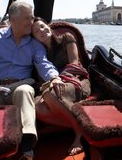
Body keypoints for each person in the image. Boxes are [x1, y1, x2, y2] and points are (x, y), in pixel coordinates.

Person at [0, 1, 60, 160]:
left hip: (17, 90)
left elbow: (43, 64)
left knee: (25, 90)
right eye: (28, 18)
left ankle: (27, 145)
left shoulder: (35, 44)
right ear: (13, 20)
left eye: (31, 17)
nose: (32, 22)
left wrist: (54, 77)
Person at [31, 17, 91, 156]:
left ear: (48, 26)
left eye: (42, 26)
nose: (41, 30)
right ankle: (84, 127)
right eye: (36, 31)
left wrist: (58, 80)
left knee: (50, 94)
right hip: (55, 85)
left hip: (77, 80)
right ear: (34, 38)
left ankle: (79, 135)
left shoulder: (66, 38)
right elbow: (42, 78)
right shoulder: (39, 53)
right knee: (36, 107)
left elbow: (74, 64)